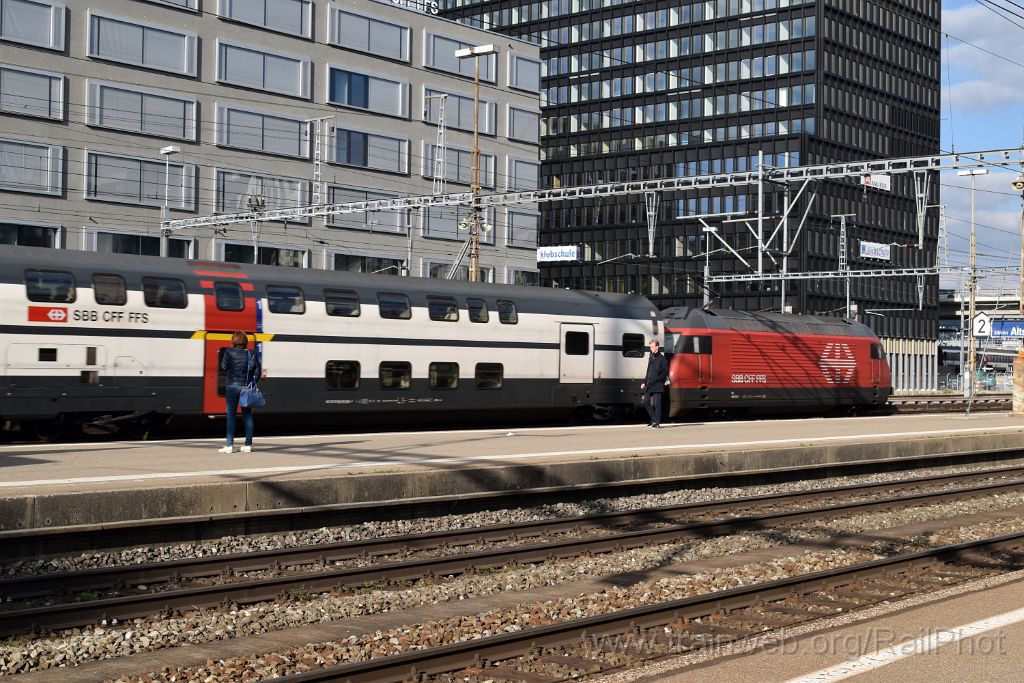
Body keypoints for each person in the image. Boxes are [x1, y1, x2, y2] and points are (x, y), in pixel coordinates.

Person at [219, 331, 262, 453]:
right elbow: (257, 371)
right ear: (245, 341)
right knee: (247, 415)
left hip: (232, 386)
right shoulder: (251, 353)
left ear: (234, 341)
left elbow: (223, 367)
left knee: (231, 415)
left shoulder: (228, 351)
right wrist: (252, 383)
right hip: (245, 388)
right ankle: (248, 445)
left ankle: (229, 446)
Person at [640, 339, 668, 428]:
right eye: (650, 347)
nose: (650, 348)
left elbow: (664, 372)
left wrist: (657, 379)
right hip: (650, 383)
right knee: (646, 402)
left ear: (657, 347)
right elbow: (648, 371)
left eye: (652, 347)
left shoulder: (662, 359)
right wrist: (644, 382)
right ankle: (653, 419)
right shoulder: (651, 357)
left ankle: (657, 423)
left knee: (657, 404)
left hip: (658, 384)